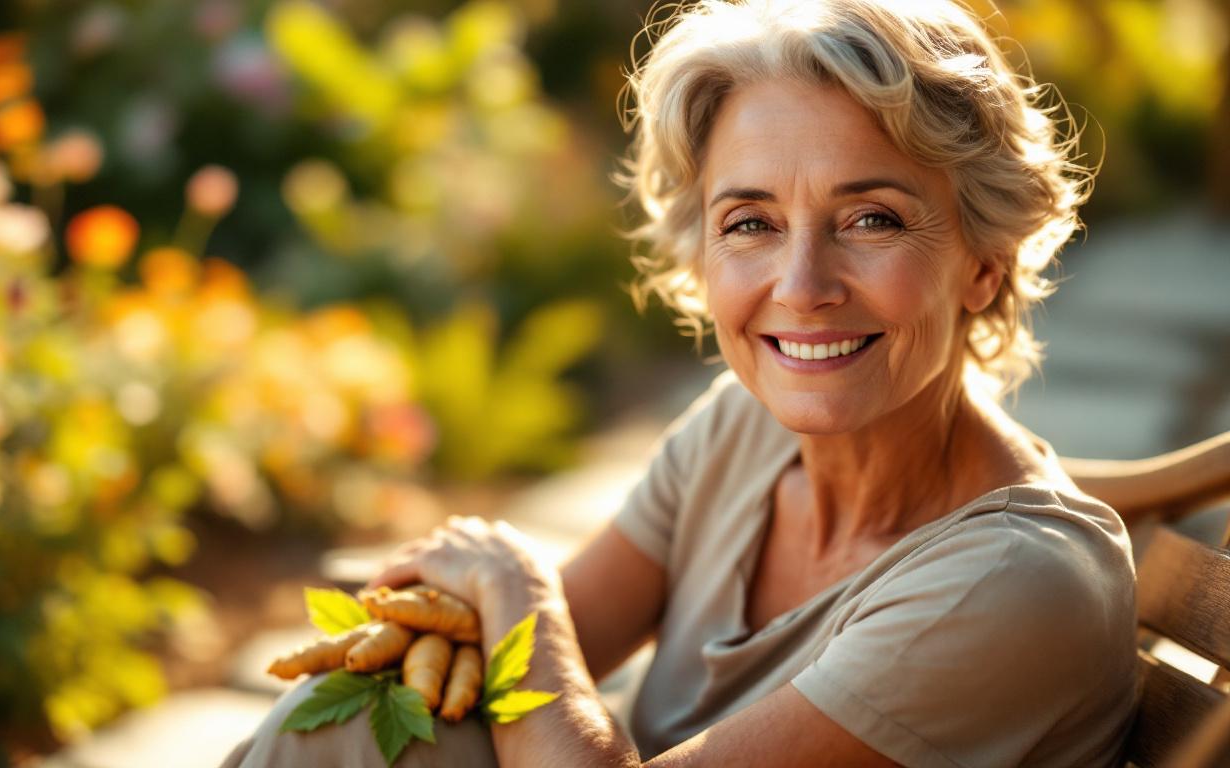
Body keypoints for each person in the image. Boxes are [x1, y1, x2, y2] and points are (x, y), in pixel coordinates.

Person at [222, 0, 1140, 765]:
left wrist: (520, 590)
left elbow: (535, 638)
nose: (802, 286)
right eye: (750, 223)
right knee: (352, 709)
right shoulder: (742, 430)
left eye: (871, 218)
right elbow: (499, 658)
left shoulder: (1018, 582)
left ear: (986, 261)